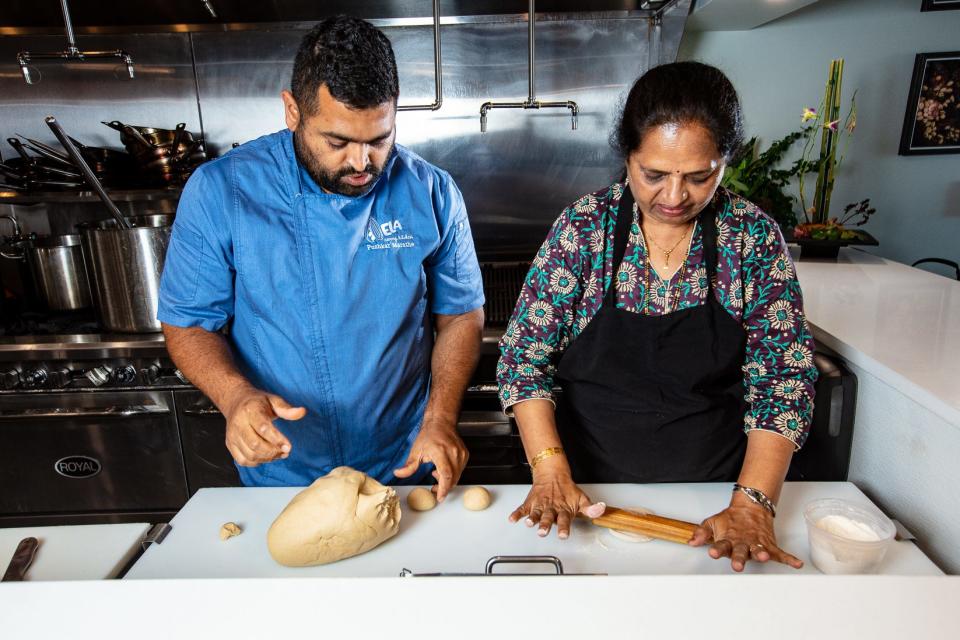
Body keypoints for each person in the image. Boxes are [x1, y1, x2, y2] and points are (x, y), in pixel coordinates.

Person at [497, 61, 818, 571]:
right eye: (654, 175)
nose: (674, 196)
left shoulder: (751, 237)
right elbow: (523, 358)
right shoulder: (585, 230)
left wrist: (752, 502)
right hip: (584, 492)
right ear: (627, 157)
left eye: (698, 176)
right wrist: (549, 470)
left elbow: (784, 379)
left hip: (714, 498)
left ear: (725, 161)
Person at [159, 16, 485, 500]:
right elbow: (188, 324)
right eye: (337, 142)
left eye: (379, 139)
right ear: (292, 111)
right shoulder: (220, 191)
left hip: (403, 467)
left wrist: (440, 419)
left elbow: (460, 315)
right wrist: (235, 398)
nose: (360, 163)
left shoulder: (432, 191)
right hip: (283, 471)